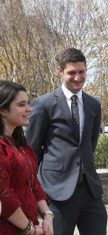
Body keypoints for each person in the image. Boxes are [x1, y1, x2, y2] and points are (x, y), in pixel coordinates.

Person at [25, 48, 107, 235]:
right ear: (60, 71)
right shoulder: (44, 104)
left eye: (82, 72)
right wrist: (37, 194)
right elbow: (32, 150)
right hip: (57, 192)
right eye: (72, 72)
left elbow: (89, 144)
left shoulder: (94, 104)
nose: (78, 77)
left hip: (90, 191)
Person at [0, 80, 53, 235]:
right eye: (22, 104)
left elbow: (33, 181)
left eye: (28, 103)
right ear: (3, 109)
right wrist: (29, 229)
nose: (29, 109)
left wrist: (47, 214)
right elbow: (4, 195)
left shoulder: (21, 145)